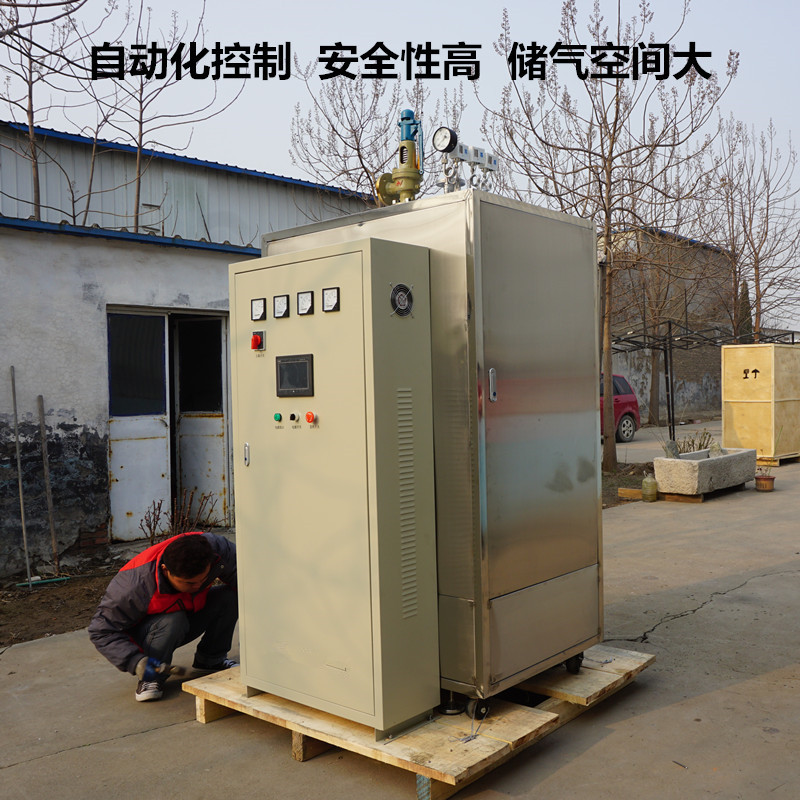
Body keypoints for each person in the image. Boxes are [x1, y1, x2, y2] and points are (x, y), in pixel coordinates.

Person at [89, 531, 238, 702]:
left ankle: (211, 660)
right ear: (166, 570)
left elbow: (249, 579)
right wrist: (135, 661)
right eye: (189, 583)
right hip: (149, 632)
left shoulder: (215, 550)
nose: (198, 586)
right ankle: (151, 677)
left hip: (187, 612)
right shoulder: (132, 587)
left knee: (230, 596)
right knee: (174, 620)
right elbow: (101, 631)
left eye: (203, 579)